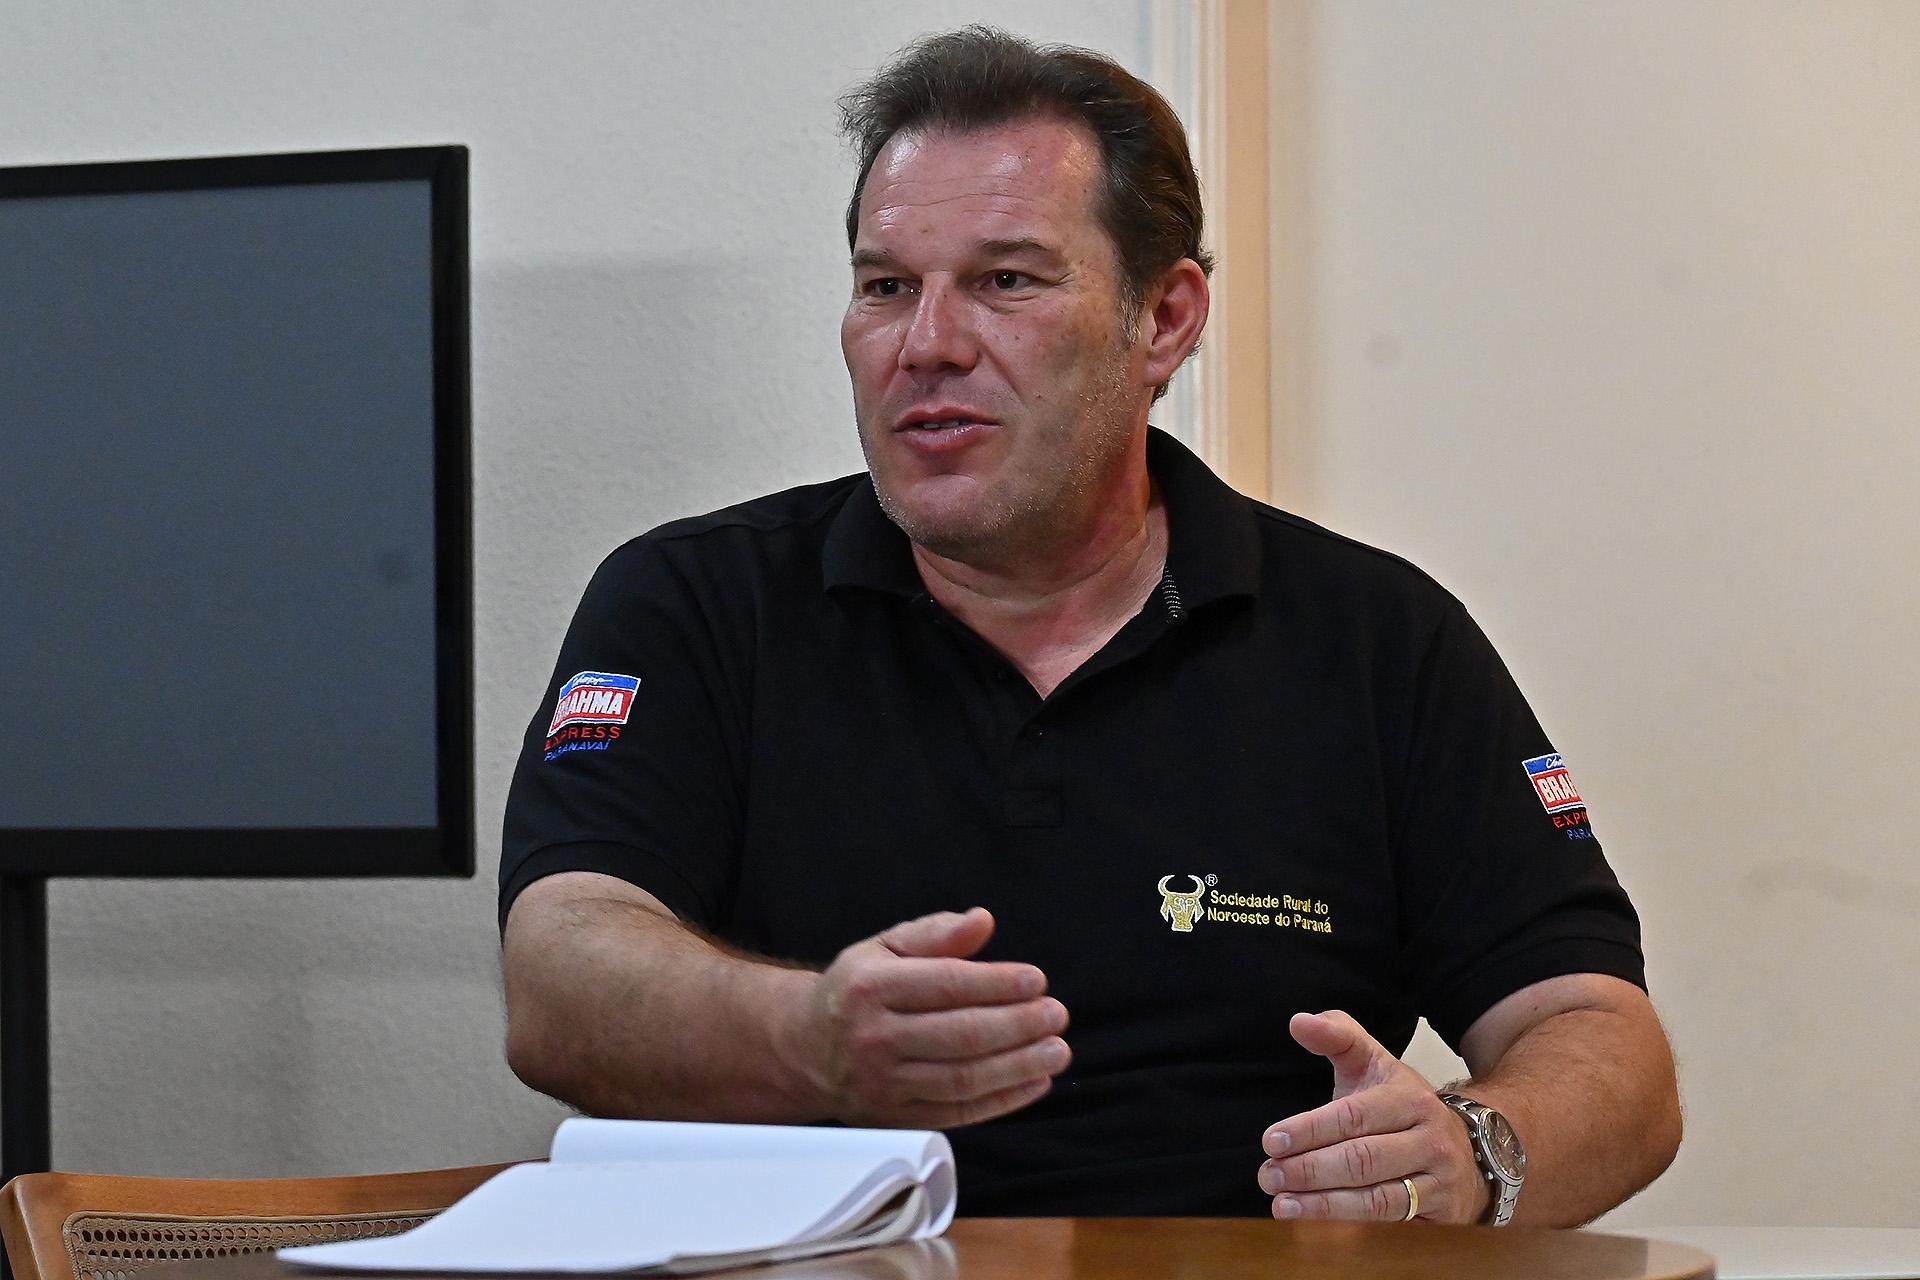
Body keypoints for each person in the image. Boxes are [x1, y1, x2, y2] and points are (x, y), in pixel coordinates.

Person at [499, 26, 1681, 1224]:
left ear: (1163, 317)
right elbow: (558, 977)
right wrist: (807, 1033)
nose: (926, 344)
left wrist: (1476, 1153)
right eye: (886, 286)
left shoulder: (1378, 641)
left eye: (1006, 281)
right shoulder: (695, 603)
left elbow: (1605, 1041)